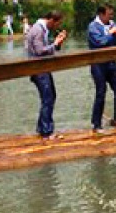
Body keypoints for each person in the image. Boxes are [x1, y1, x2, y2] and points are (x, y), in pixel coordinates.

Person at [26, 11, 68, 141]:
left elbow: (47, 48)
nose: (57, 26)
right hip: (38, 69)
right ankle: (46, 132)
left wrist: (58, 43)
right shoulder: (39, 30)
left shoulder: (42, 30)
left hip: (43, 68)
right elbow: (39, 51)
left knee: (50, 96)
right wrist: (55, 44)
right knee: (48, 98)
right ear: (51, 20)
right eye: (57, 23)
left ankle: (42, 128)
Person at [87, 4, 116, 133]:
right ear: (101, 14)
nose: (111, 17)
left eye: (112, 14)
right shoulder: (93, 27)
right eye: (109, 14)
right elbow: (100, 42)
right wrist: (111, 34)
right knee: (101, 92)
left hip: (111, 62)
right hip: (98, 64)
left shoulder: (111, 23)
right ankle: (96, 124)